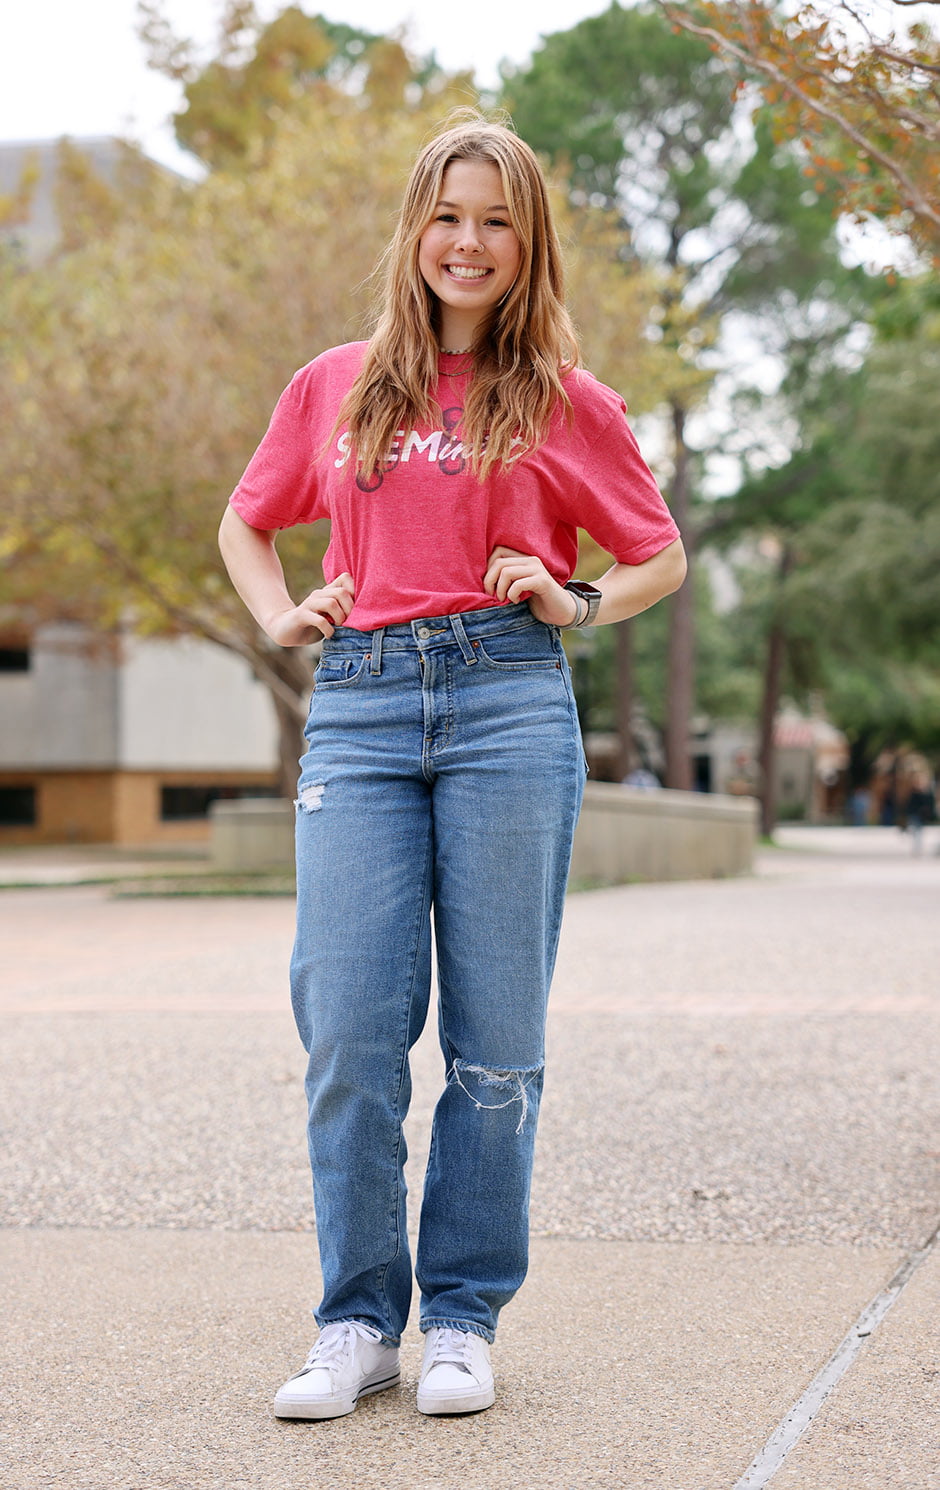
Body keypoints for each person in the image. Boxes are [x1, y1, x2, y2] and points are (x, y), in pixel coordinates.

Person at [218, 114, 686, 1422]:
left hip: (507, 701)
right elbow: (248, 522)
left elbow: (659, 552)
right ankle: (360, 1316)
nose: (467, 242)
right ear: (414, 230)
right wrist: (278, 613)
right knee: (352, 1031)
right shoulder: (337, 385)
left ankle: (462, 1318)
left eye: (495, 219)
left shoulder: (564, 400)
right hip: (362, 709)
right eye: (447, 214)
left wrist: (574, 595)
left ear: (525, 242)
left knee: (497, 1047)